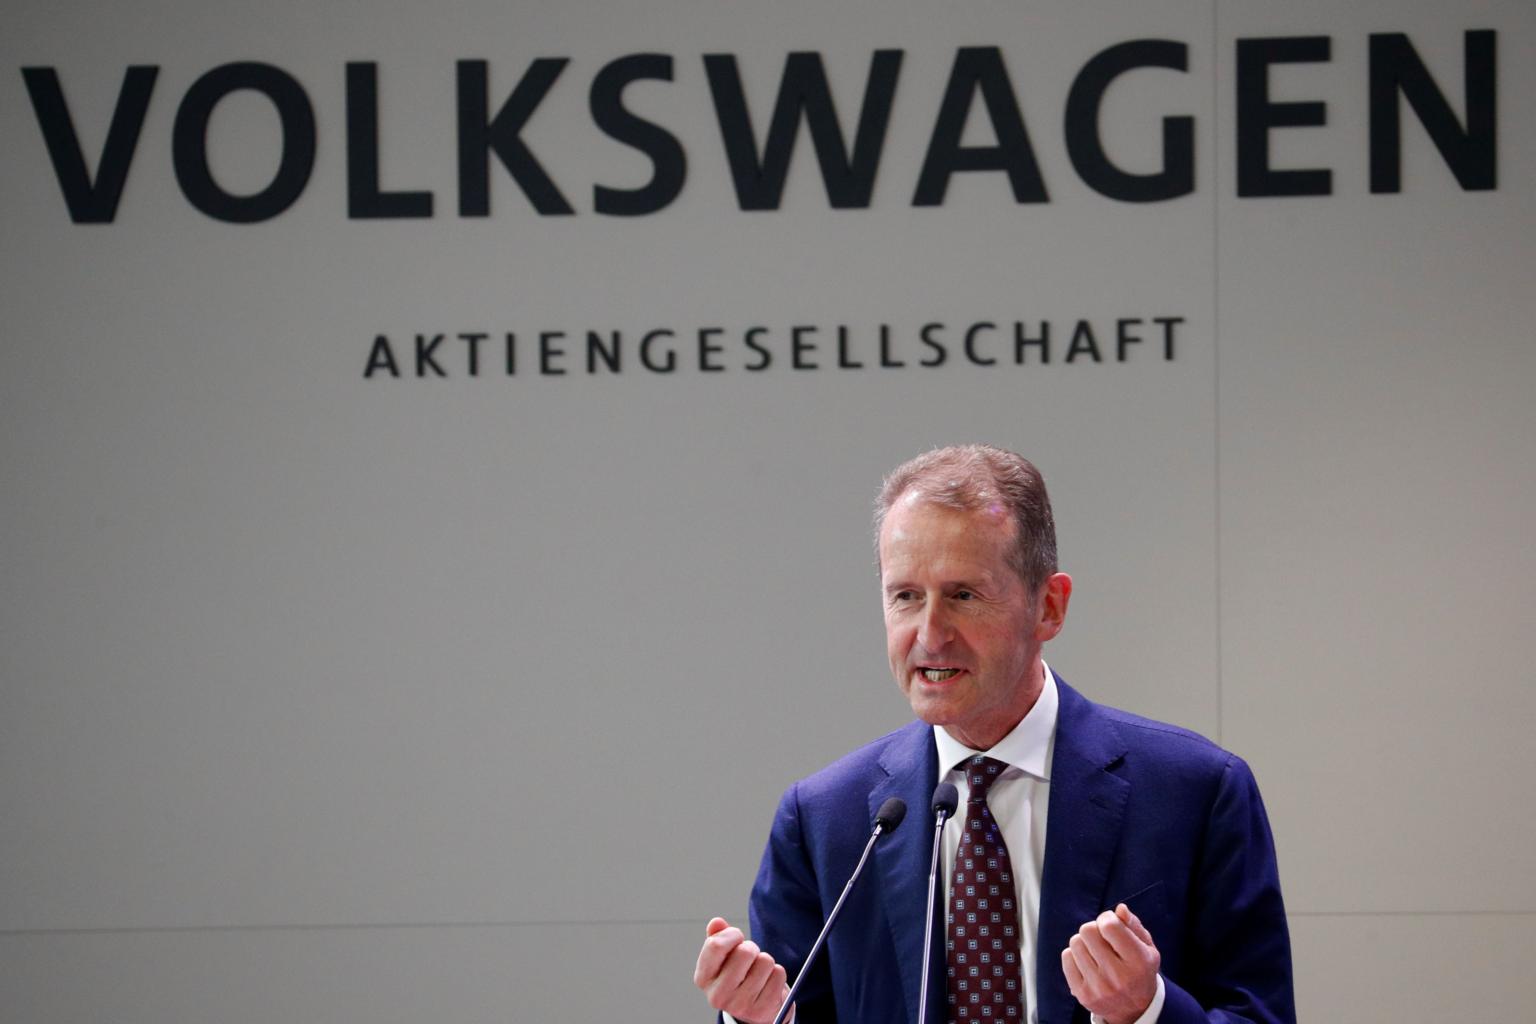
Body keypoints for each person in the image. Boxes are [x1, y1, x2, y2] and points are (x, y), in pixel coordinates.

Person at [693, 445, 1294, 1024]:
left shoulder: (1196, 792)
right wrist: (756, 1020)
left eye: (963, 595)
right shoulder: (826, 820)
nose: (931, 634)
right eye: (906, 596)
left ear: (1049, 607)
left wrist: (1146, 1011)